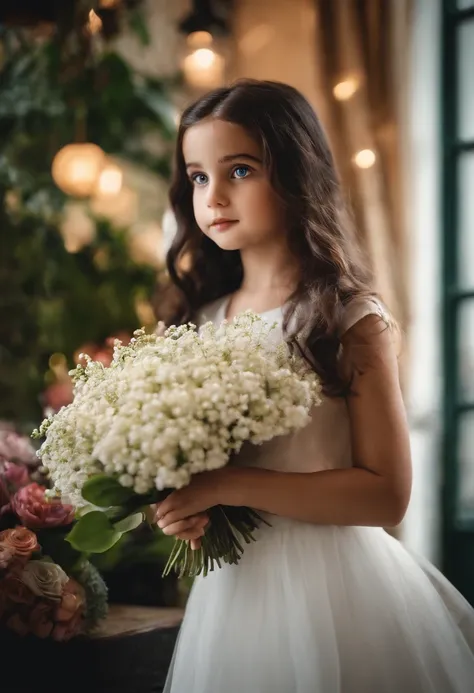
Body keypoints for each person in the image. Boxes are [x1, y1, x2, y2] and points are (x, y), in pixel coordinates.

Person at [154, 79, 474, 692]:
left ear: (297, 174)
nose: (214, 196)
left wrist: (227, 485)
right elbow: (194, 474)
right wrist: (181, 510)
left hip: (335, 591)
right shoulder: (200, 320)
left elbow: (387, 496)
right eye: (198, 177)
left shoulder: (347, 318)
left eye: (240, 170)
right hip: (232, 596)